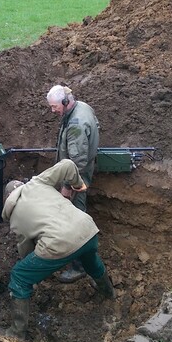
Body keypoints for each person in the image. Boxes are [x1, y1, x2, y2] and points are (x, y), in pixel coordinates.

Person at [1, 159, 115, 341]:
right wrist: (77, 184)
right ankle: (109, 293)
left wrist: (34, 274)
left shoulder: (15, 218)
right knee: (89, 259)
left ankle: (16, 333)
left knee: (19, 276)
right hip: (87, 229)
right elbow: (68, 165)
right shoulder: (37, 182)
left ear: (8, 198)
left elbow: (26, 250)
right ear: (22, 185)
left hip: (59, 243)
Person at [47, 84, 101, 283]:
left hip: (77, 179)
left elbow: (77, 162)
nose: (53, 111)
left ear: (65, 101)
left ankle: (79, 266)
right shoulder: (81, 108)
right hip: (79, 175)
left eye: (54, 107)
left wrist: (67, 187)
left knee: (74, 221)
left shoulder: (76, 123)